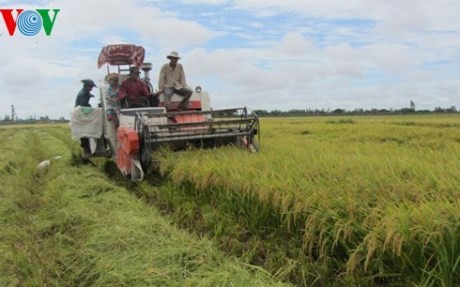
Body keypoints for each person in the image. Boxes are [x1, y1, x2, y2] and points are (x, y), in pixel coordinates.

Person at [75, 79, 97, 157]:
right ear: (87, 86)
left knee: (87, 132)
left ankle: (89, 150)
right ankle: (86, 151)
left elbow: (87, 95)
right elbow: (84, 105)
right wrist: (92, 108)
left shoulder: (85, 92)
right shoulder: (83, 94)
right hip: (81, 115)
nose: (92, 89)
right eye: (91, 87)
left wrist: (90, 95)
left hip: (82, 114)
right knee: (85, 133)